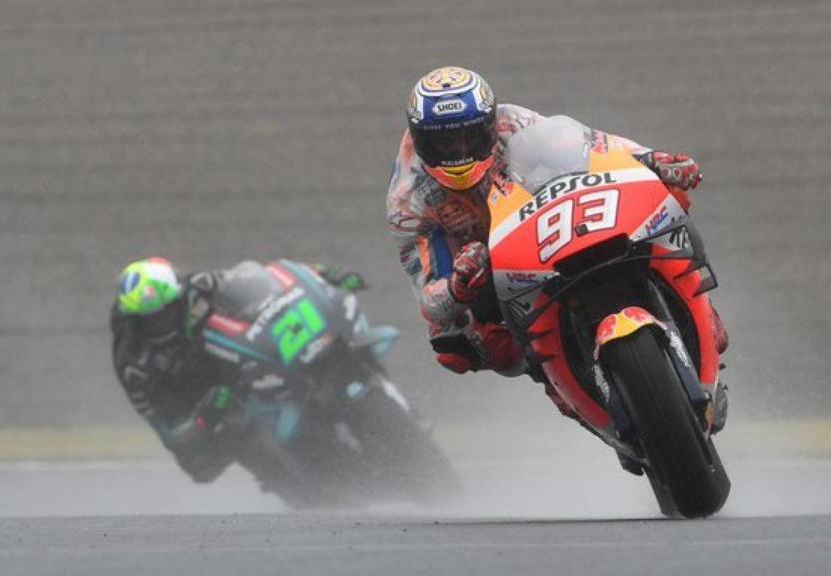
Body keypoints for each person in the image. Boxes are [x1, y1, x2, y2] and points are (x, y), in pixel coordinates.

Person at [386, 66, 727, 425]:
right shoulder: (407, 200)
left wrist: (653, 160)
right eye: (445, 142)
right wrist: (458, 284)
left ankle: (697, 304)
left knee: (664, 199)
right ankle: (551, 374)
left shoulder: (512, 124)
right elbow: (429, 298)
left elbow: (597, 146)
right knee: (454, 344)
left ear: (487, 124)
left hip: (551, 220)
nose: (460, 151)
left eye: (469, 136)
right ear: (422, 140)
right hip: (486, 264)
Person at [109, 256, 366, 482]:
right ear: (134, 321)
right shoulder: (135, 366)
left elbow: (266, 278)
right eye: (148, 321)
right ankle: (298, 481)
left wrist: (325, 275)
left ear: (179, 297)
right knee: (207, 458)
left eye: (164, 314)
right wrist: (201, 419)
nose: (158, 324)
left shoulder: (199, 287)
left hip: (242, 364)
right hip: (204, 403)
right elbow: (168, 432)